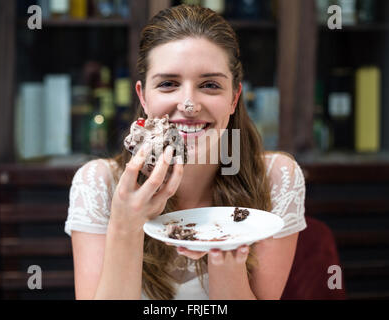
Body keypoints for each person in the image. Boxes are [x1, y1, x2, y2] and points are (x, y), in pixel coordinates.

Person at [65, 4, 306, 300]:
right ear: (143, 97)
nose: (189, 104)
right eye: (168, 84)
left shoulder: (276, 178)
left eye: (209, 85)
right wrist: (126, 226)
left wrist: (224, 252)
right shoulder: (98, 184)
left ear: (234, 98)